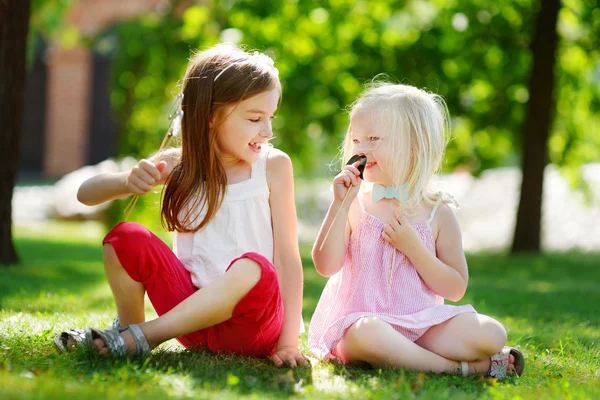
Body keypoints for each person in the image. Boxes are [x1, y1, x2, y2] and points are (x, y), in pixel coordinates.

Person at [54, 43, 307, 368]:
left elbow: (287, 258)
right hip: (190, 323)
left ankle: (142, 336)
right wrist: (127, 181)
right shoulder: (180, 164)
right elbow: (85, 194)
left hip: (253, 327)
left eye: (270, 118)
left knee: (254, 266)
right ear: (213, 116)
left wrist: (288, 343)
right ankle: (130, 332)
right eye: (256, 118)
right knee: (125, 237)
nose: (268, 131)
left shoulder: (274, 166)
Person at [308, 83, 524, 379]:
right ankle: (463, 369)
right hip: (362, 323)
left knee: (493, 334)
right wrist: (339, 205)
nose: (360, 148)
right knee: (366, 334)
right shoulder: (356, 203)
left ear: (413, 145)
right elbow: (324, 265)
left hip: (421, 325)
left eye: (373, 138)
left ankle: (414, 354)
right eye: (356, 139)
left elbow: (454, 287)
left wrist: (415, 249)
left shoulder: (438, 213)